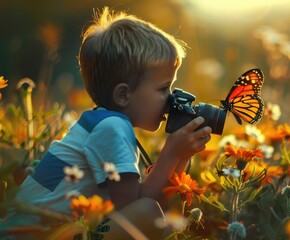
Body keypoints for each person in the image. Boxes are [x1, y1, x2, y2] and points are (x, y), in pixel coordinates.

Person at [0, 7, 212, 239]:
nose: (171, 98)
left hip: (46, 229)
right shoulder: (111, 128)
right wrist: (171, 152)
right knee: (149, 212)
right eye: (163, 88)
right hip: (32, 234)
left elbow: (151, 201)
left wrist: (181, 155)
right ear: (123, 95)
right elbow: (137, 210)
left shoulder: (98, 123)